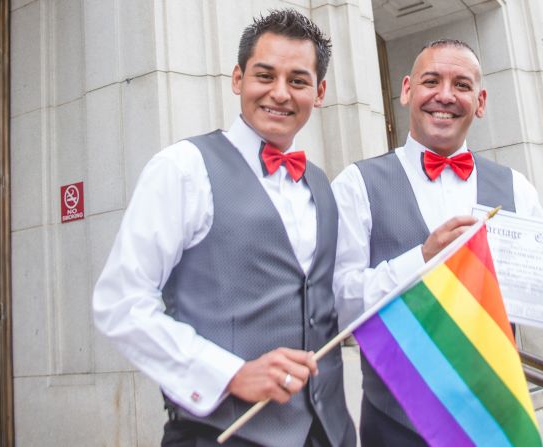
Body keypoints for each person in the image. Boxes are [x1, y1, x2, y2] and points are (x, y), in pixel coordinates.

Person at [332, 39, 543, 446]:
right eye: (431, 80)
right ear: (407, 91)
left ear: (481, 100)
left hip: (492, 422)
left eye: (462, 85)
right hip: (396, 423)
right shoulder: (356, 185)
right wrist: (423, 257)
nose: (445, 96)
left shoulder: (515, 189)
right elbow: (340, 302)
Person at [93, 9, 355, 447]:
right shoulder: (183, 168)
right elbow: (119, 302)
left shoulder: (322, 184)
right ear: (238, 79)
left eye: (297, 80)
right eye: (264, 75)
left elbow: (332, 300)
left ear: (319, 91)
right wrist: (230, 373)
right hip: (220, 433)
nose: (279, 93)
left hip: (329, 433)